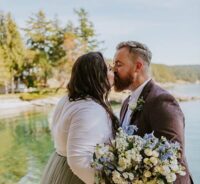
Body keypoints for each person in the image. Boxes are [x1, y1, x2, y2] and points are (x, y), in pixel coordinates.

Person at [113, 41, 193, 184]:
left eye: (119, 64)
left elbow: (173, 156)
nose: (113, 70)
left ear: (138, 66)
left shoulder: (162, 101)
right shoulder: (126, 103)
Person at [40, 52, 119, 184]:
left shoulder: (69, 99)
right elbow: (78, 161)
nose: (114, 72)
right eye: (109, 69)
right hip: (78, 177)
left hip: (60, 167)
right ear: (97, 76)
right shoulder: (89, 108)